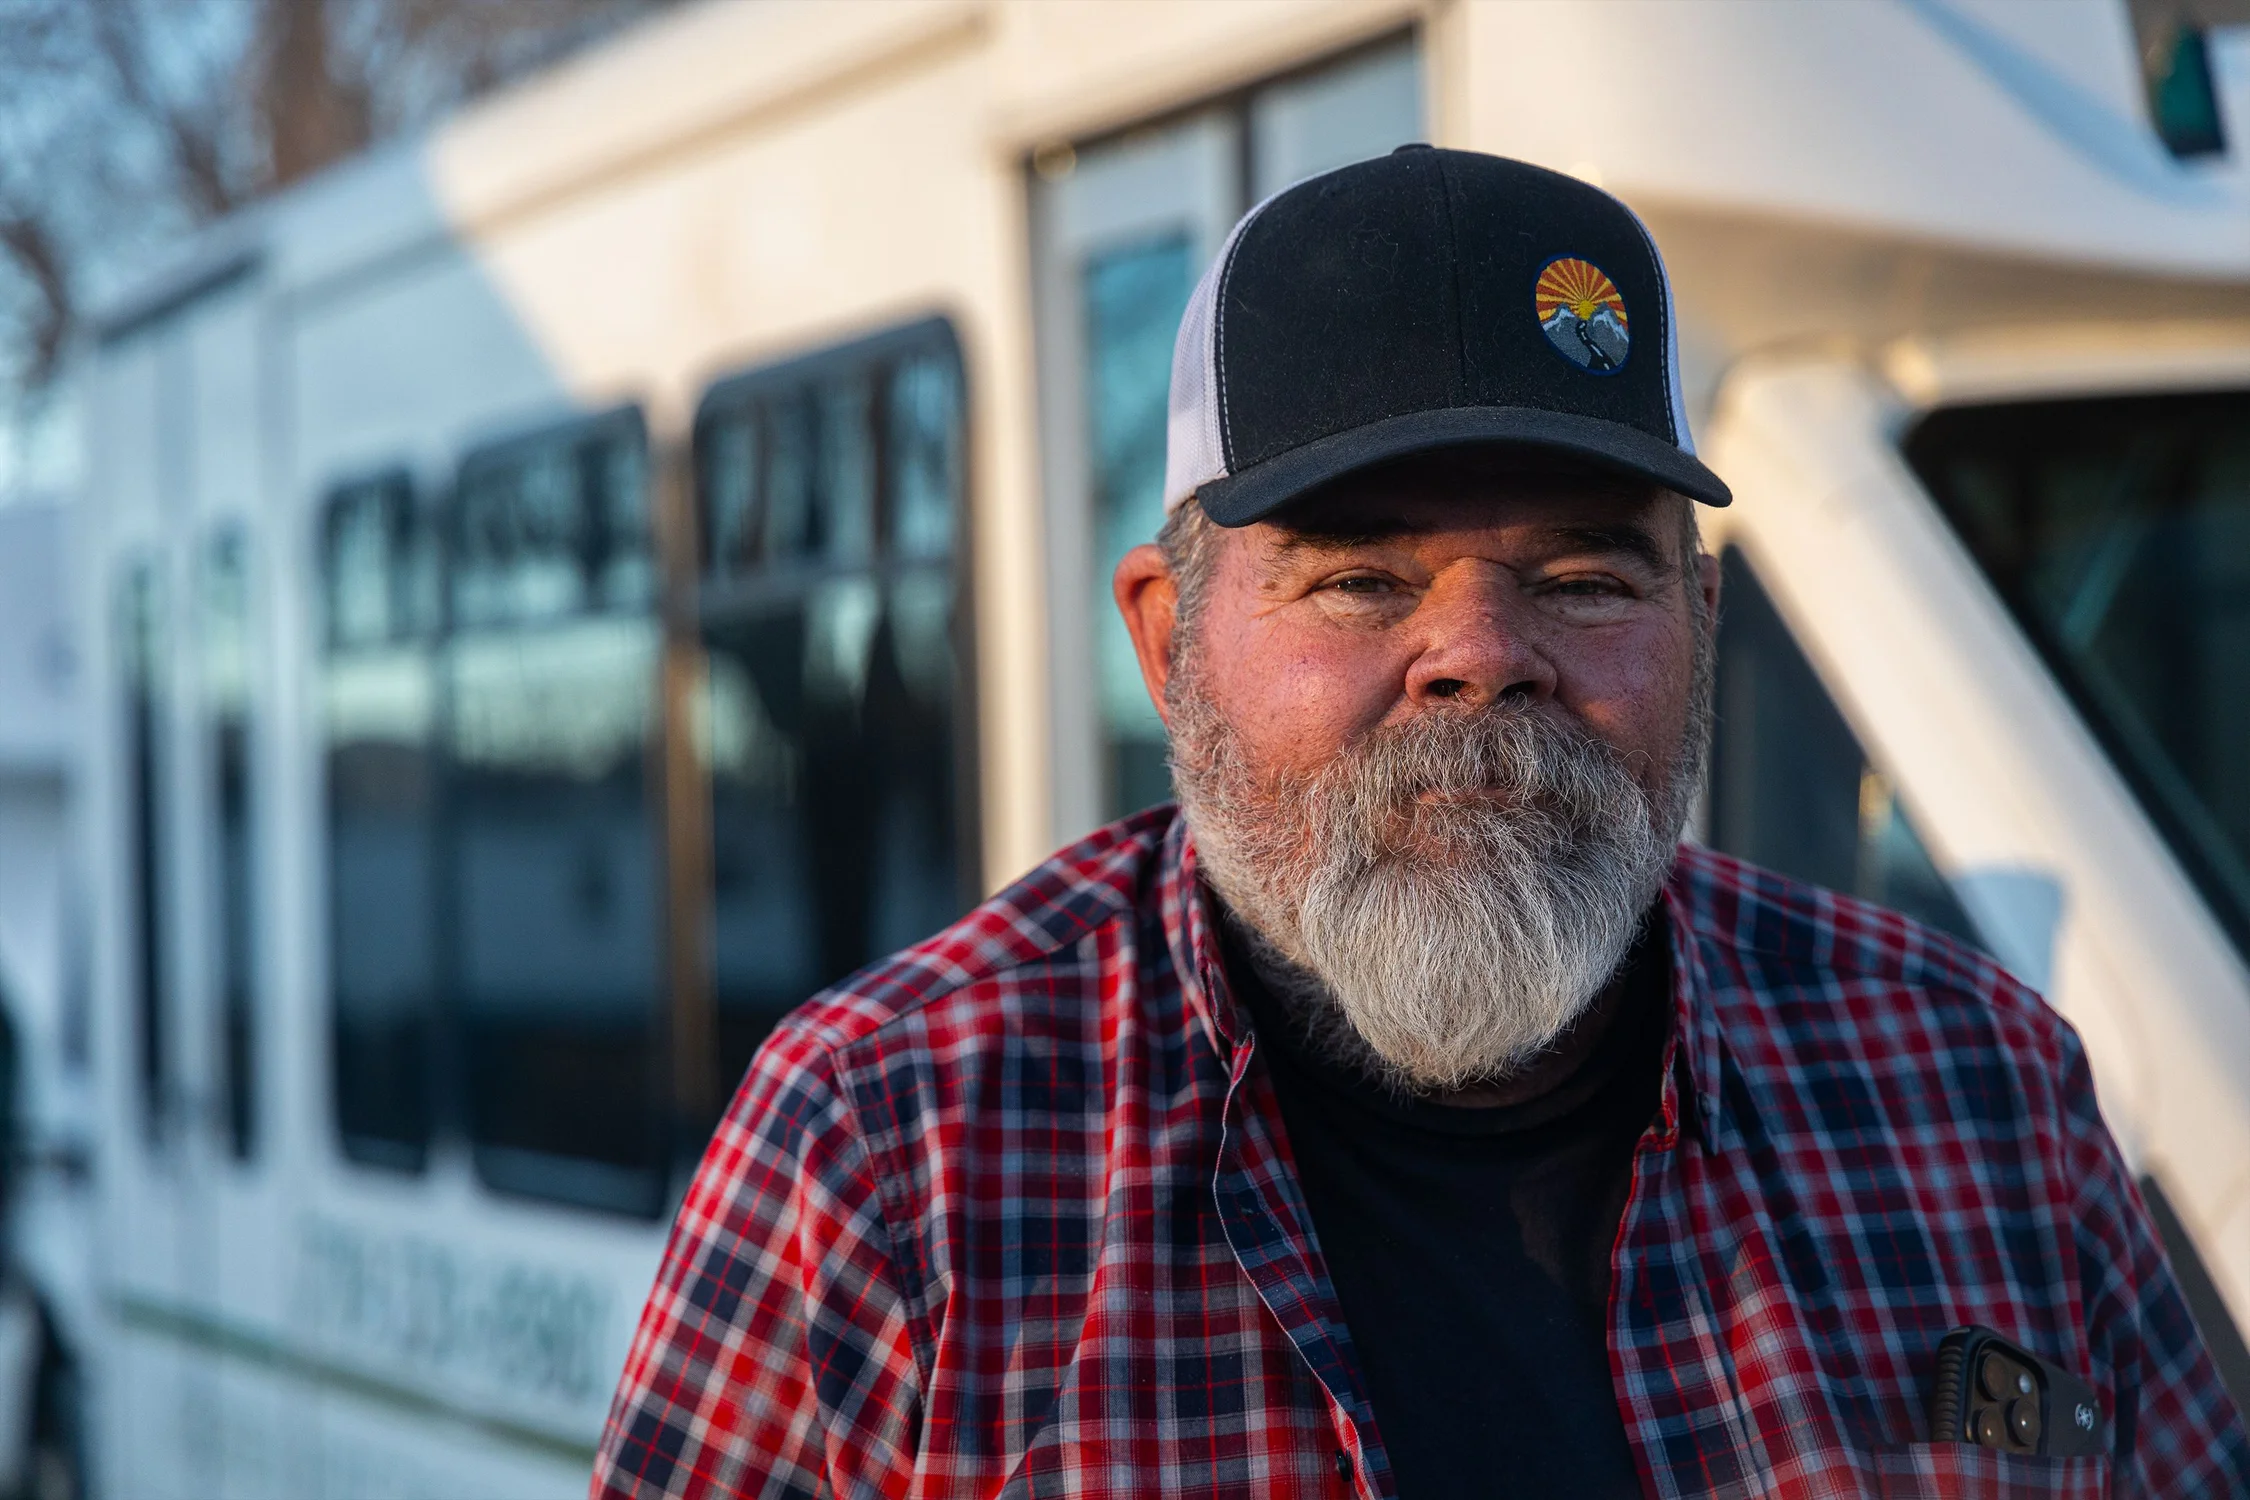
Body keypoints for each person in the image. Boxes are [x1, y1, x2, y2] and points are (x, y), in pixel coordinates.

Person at [592, 147, 2248, 1498]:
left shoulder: (1977, 1093)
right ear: (1170, 643)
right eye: (1363, 579)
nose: (1478, 657)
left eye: (1586, 578)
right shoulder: (888, 1160)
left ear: (1701, 630)